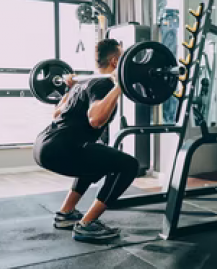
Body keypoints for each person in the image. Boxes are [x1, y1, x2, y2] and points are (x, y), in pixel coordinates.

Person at [33, 39, 139, 242]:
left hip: (44, 146)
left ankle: (66, 214)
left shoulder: (81, 84)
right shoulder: (103, 83)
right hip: (61, 148)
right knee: (128, 165)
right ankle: (87, 224)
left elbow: (57, 114)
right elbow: (96, 120)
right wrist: (119, 86)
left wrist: (68, 89)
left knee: (97, 156)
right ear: (116, 62)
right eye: (123, 57)